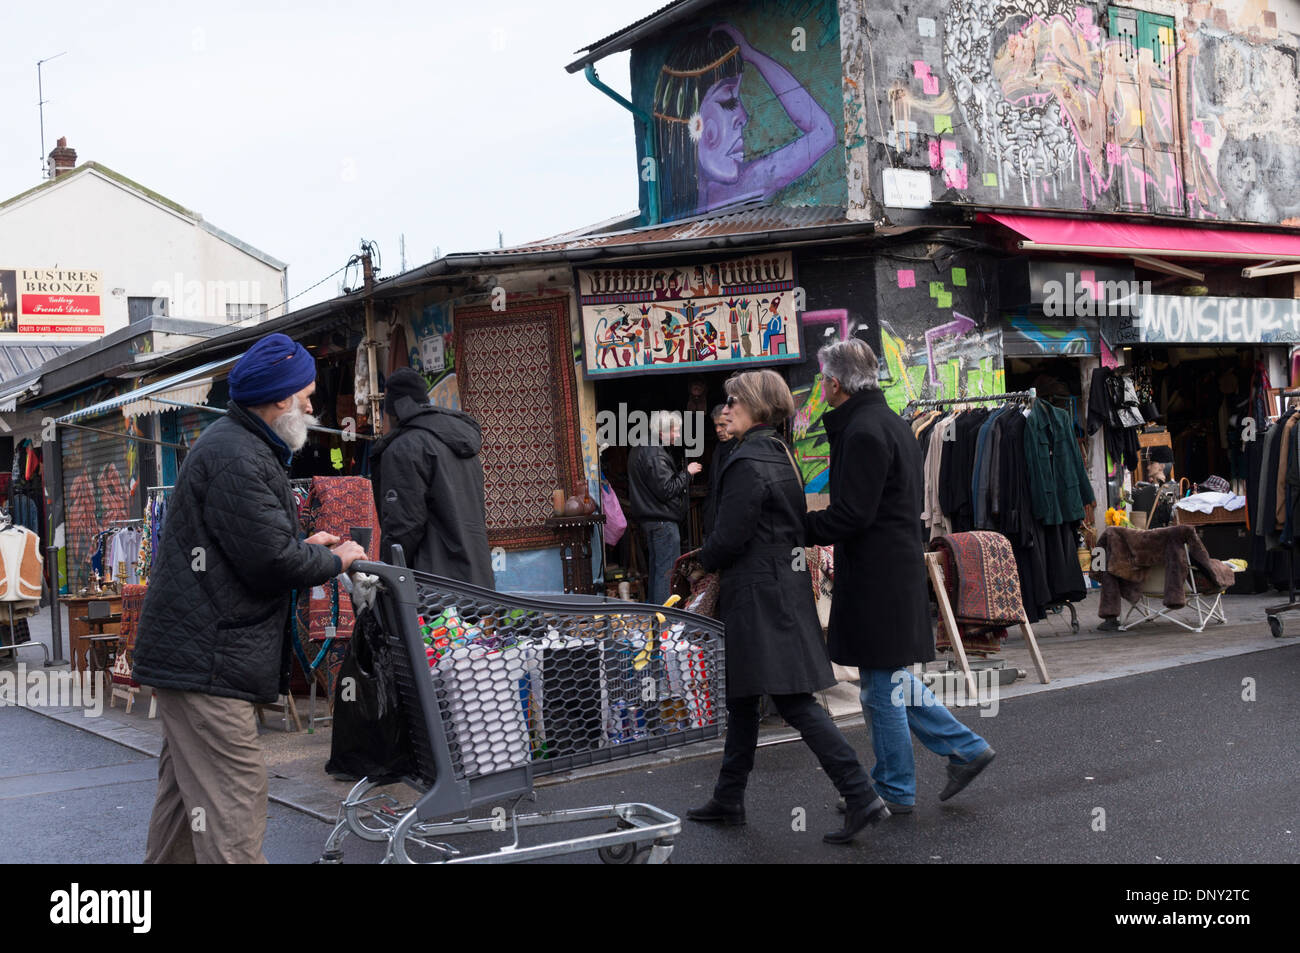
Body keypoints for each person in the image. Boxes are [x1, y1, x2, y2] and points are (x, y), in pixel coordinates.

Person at [133, 333, 367, 863]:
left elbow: (250, 546)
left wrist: (301, 545)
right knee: (233, 804)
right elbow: (270, 563)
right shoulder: (239, 455)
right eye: (306, 394)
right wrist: (339, 560)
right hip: (207, 664)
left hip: (192, 660)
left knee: (184, 810)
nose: (313, 404)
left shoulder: (237, 446)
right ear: (281, 399)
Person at [687, 370, 890, 843]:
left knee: (794, 700)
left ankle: (860, 794)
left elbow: (732, 534)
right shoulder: (780, 454)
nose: (725, 409)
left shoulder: (746, 461)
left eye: (733, 402)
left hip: (757, 595)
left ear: (757, 407)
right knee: (741, 698)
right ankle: (729, 796)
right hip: (777, 589)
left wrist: (702, 561)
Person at [806, 339, 995, 814]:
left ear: (834, 382)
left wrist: (795, 525)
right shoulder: (887, 422)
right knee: (887, 678)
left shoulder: (864, 431)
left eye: (822, 379)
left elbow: (853, 515)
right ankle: (967, 749)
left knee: (879, 688)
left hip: (877, 578)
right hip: (890, 571)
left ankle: (893, 789)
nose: (820, 387)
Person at [369, 367, 494, 588]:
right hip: (476, 580)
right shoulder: (456, 440)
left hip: (432, 586)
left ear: (394, 409)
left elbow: (403, 525)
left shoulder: (405, 447)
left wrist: (387, 576)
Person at [627, 411, 701, 604]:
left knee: (658, 571)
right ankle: (665, 623)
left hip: (652, 521)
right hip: (662, 522)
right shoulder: (654, 452)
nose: (677, 435)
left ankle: (657, 620)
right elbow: (667, 489)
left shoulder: (641, 447)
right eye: (675, 431)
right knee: (667, 574)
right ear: (662, 431)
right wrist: (688, 473)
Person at [701, 403, 737, 537]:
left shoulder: (742, 448)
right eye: (716, 425)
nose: (717, 430)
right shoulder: (718, 449)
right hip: (715, 521)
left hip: (732, 522)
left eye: (722, 425)